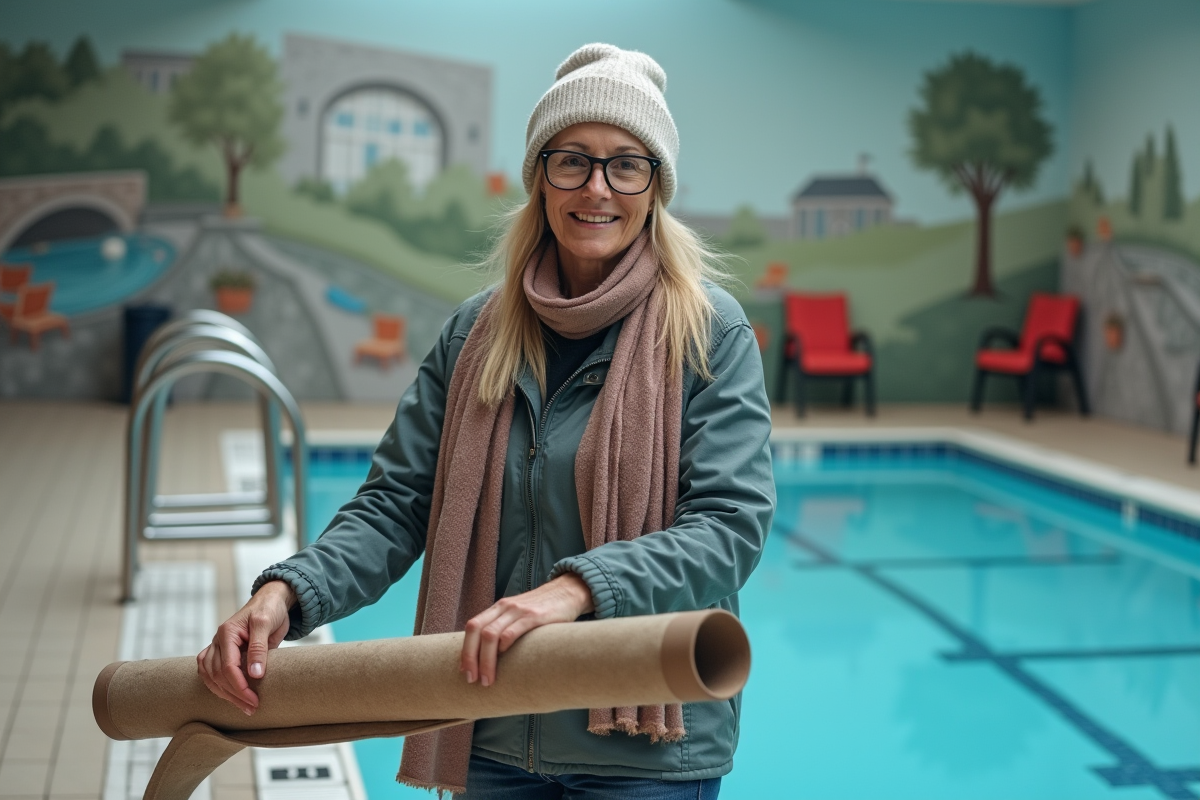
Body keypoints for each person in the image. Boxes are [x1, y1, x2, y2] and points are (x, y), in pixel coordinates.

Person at [197, 42, 774, 799]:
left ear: (655, 187)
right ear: (539, 175)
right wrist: (287, 594)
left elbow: (728, 527)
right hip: (489, 724)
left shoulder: (708, 333)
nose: (596, 187)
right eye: (572, 159)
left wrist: (575, 590)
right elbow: (396, 506)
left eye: (625, 163)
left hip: (645, 749)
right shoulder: (477, 334)